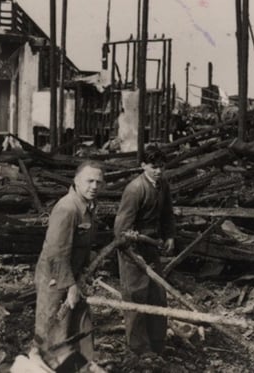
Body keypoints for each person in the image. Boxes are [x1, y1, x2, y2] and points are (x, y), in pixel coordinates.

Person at [34, 160, 104, 371]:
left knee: (80, 325)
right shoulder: (67, 208)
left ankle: (81, 366)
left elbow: (83, 244)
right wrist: (70, 286)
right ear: (76, 181)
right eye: (89, 181)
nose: (94, 186)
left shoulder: (88, 207)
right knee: (53, 330)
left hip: (75, 275)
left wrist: (88, 267)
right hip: (56, 279)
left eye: (98, 182)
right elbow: (57, 253)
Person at [113, 145, 176, 356]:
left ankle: (157, 342)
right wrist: (131, 251)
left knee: (157, 294)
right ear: (143, 166)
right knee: (136, 295)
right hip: (132, 249)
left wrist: (169, 236)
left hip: (152, 246)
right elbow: (121, 229)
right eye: (153, 167)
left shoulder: (163, 185)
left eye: (161, 166)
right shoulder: (135, 189)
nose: (158, 171)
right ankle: (139, 348)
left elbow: (167, 213)